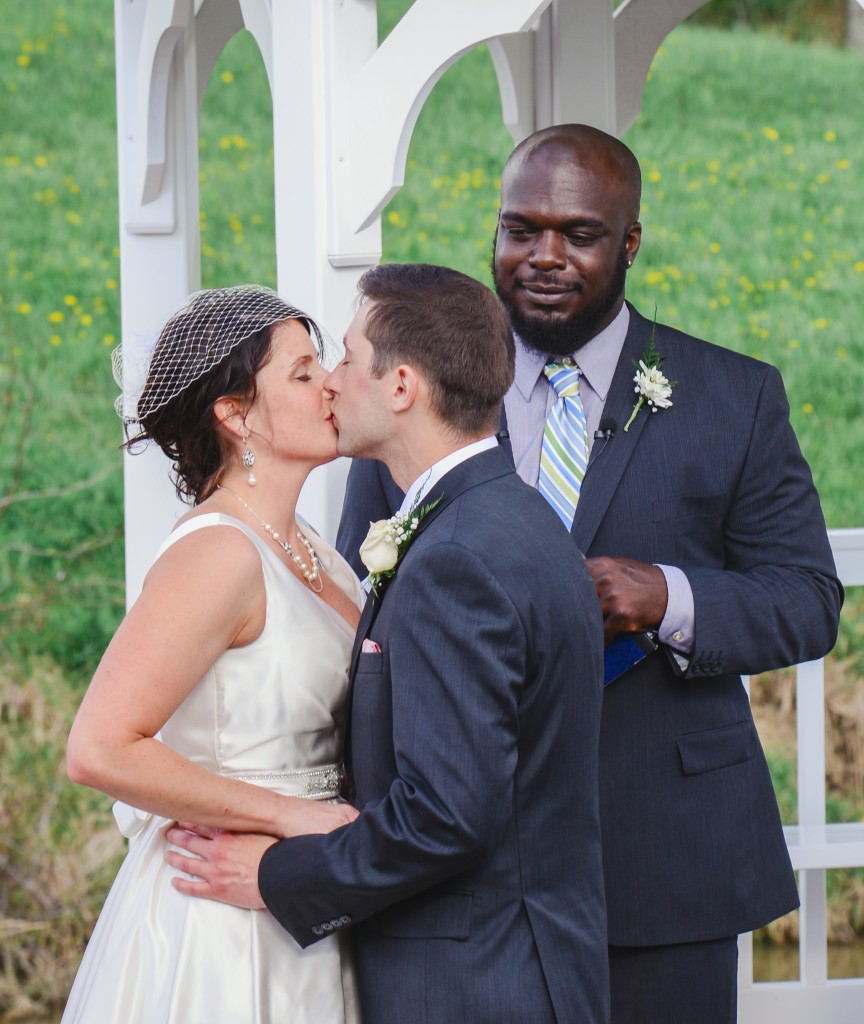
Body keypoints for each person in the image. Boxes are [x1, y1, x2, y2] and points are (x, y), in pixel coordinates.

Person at [334, 126, 844, 1023]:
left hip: (665, 854)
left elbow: (806, 599)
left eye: (578, 234)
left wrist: (668, 597)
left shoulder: (735, 396)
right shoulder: (414, 393)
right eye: (520, 229)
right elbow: (357, 603)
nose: (543, 256)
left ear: (630, 243)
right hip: (462, 871)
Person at [165, 263, 610, 1023]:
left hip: (474, 982)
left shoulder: (457, 559)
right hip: (527, 961)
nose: (331, 383)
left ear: (401, 386)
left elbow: (446, 815)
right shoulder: (510, 521)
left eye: (341, 357)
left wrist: (278, 874)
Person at [62, 285, 364, 1024]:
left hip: (308, 893)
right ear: (233, 414)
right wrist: (290, 817)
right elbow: (99, 748)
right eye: (301, 373)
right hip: (224, 921)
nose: (329, 383)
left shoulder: (319, 554)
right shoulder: (219, 554)